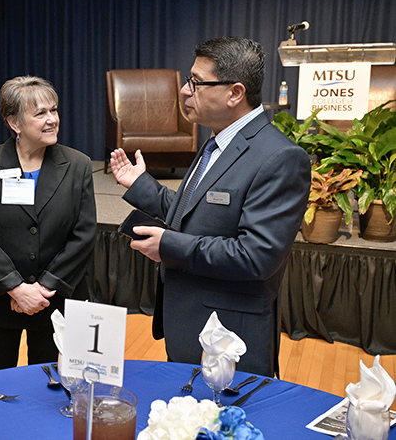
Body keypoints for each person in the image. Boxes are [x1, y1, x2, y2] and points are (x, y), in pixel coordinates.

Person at [110, 36, 310, 378]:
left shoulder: (280, 157)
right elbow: (198, 212)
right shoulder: (217, 141)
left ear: (235, 93)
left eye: (196, 82)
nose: (186, 91)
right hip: (190, 320)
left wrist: (168, 245)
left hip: (229, 335)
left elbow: (256, 255)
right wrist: (141, 186)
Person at [0, 76, 97, 373]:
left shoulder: (78, 165)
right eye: (40, 113)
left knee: (50, 388)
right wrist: (15, 288)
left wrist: (43, 288)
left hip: (55, 301)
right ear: (14, 123)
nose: (52, 120)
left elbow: (83, 235)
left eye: (54, 110)